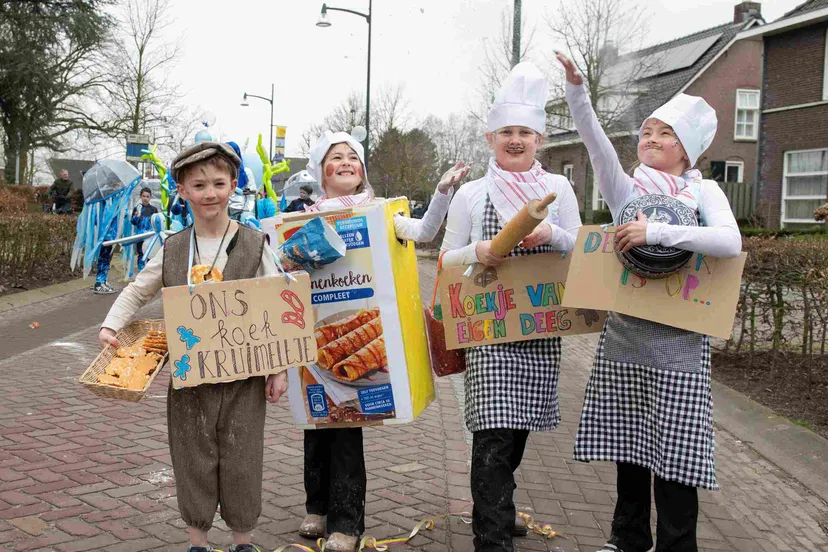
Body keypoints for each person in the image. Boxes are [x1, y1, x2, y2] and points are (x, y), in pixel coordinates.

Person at [557, 52, 742, 552]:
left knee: (678, 456)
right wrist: (577, 91)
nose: (652, 139)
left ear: (687, 150)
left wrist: (655, 232)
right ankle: (627, 540)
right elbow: (595, 144)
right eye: (647, 132)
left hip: (680, 341)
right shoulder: (627, 190)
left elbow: (729, 242)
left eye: (666, 133)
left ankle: (678, 546)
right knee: (630, 447)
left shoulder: (703, 194)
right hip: (627, 334)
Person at [98, 142, 288, 552]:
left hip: (244, 376)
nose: (210, 193)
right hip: (189, 377)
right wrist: (111, 325)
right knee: (191, 455)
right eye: (199, 185)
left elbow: (277, 302)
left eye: (219, 183)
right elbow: (138, 289)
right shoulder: (173, 247)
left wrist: (278, 368)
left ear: (233, 186)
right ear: (182, 190)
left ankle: (243, 541)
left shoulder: (256, 245)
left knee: (242, 456)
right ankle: (197, 541)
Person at [298, 130, 470, 552]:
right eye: (336, 157)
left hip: (360, 335)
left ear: (361, 170)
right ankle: (317, 507)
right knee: (315, 426)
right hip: (312, 335)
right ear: (321, 171)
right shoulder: (301, 219)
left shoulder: (381, 212)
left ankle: (346, 524)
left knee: (345, 430)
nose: (345, 163)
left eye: (352, 157)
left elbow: (425, 231)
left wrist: (442, 192)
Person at [440, 62, 582, 552]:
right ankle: (493, 537)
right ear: (490, 138)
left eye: (524, 132)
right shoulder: (472, 194)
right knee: (493, 435)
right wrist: (478, 251)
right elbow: (446, 257)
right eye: (506, 132)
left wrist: (552, 233)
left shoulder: (559, 189)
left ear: (539, 139)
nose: (515, 140)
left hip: (540, 328)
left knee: (516, 433)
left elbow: (580, 245)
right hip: (488, 331)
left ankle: (497, 502)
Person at [131, 187, 159, 271]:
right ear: (140, 196)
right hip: (140, 237)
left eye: (147, 196)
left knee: (150, 254)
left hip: (150, 236)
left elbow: (157, 223)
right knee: (141, 254)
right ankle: (141, 271)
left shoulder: (154, 209)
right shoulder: (137, 209)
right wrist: (136, 217)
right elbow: (133, 222)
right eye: (143, 196)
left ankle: (149, 272)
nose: (145, 198)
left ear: (150, 197)